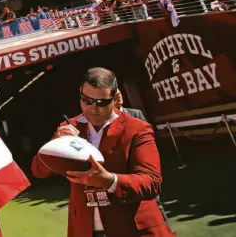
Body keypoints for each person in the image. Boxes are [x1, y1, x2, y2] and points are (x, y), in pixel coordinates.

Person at [31, 68, 173, 237]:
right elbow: (38, 171)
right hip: (86, 228)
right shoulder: (68, 127)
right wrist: (55, 143)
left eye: (101, 102)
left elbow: (152, 182)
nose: (93, 108)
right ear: (80, 94)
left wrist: (110, 180)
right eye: (87, 100)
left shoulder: (137, 128)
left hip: (131, 228)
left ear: (115, 99)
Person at [114, 89, 174, 233]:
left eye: (120, 93)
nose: (119, 96)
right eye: (115, 94)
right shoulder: (105, 121)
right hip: (123, 173)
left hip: (143, 167)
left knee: (156, 202)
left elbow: (148, 139)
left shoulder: (136, 114)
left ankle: (167, 232)